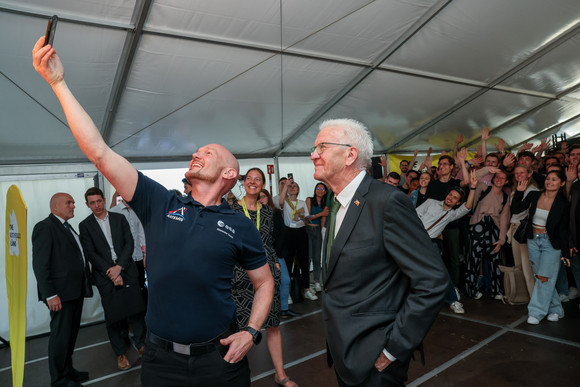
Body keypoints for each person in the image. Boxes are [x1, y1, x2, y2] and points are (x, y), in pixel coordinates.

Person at [33, 37, 274, 387]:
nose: (197, 152)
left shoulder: (239, 224)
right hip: (161, 361)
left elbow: (264, 281)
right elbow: (99, 152)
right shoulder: (161, 202)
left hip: (221, 359)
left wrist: (251, 332)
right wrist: (58, 83)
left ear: (229, 174)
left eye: (208, 152)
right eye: (198, 149)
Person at [310, 118, 448, 386]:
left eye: (322, 147)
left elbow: (433, 280)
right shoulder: (337, 204)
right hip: (344, 352)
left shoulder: (387, 202)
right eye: (314, 148)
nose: (314, 154)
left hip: (376, 360)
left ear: (351, 154)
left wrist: (393, 349)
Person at [230, 168, 298, 387]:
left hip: (267, 272)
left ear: (262, 185)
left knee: (273, 325)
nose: (253, 182)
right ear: (244, 183)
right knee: (242, 329)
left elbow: (269, 240)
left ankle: (280, 374)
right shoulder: (231, 210)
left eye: (257, 179)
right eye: (249, 178)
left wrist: (275, 261)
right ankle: (239, 380)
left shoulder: (268, 211)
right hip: (240, 273)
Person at [79, 187, 147, 370]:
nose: (97, 205)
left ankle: (141, 345)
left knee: (137, 310)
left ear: (104, 200)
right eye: (92, 203)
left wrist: (119, 267)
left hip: (126, 269)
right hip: (104, 275)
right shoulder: (84, 225)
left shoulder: (119, 218)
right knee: (113, 316)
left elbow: (129, 243)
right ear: (87, 205)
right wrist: (111, 272)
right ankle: (120, 353)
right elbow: (90, 253)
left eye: (99, 201)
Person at [32, 192, 92, 387]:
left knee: (70, 335)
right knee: (60, 337)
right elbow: (41, 266)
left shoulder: (66, 227)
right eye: (69, 202)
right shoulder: (45, 227)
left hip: (74, 292)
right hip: (60, 295)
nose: (73, 205)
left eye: (73, 202)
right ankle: (59, 380)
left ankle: (68, 370)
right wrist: (50, 294)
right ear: (55, 206)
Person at [416, 171, 479, 314]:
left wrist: (473, 188)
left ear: (457, 202)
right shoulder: (431, 202)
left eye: (455, 198)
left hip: (430, 244)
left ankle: (452, 300)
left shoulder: (452, 214)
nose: (450, 198)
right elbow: (413, 216)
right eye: (450, 195)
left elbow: (468, 206)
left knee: (441, 273)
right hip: (416, 240)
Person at [511, 170, 570, 324]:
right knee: (542, 278)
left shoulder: (563, 203)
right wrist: (519, 192)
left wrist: (566, 252)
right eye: (548, 179)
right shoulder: (534, 195)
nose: (549, 182)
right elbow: (515, 210)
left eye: (554, 180)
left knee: (544, 277)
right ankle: (556, 309)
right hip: (533, 241)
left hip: (551, 243)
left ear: (562, 183)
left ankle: (536, 313)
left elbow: (564, 229)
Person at [465, 169, 511, 300]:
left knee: (495, 260)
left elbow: (504, 219)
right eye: (497, 177)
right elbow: (472, 178)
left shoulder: (505, 197)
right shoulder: (484, 188)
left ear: (506, 181)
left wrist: (502, 239)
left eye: (503, 178)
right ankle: (471, 290)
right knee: (473, 259)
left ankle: (497, 291)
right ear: (493, 178)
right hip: (478, 225)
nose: (499, 179)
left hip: (494, 229)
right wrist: (487, 169)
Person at [259, 189, 300, 319]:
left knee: (285, 280)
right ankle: (267, 311)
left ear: (268, 198)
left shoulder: (275, 213)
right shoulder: (254, 215)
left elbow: (282, 234)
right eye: (258, 198)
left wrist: (274, 253)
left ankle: (283, 309)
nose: (261, 200)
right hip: (260, 255)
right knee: (265, 284)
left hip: (276, 253)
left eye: (263, 197)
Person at [279, 179, 316, 300]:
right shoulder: (284, 201)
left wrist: (304, 217)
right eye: (291, 186)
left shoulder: (302, 203)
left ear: (298, 190)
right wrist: (287, 185)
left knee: (304, 261)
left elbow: (305, 217)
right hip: (289, 233)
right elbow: (281, 199)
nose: (292, 188)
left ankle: (306, 289)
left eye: (295, 186)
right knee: (288, 262)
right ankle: (287, 293)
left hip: (301, 232)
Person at [508, 165, 539, 298]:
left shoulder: (532, 190)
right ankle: (525, 296)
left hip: (524, 231)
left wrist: (520, 192)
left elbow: (516, 210)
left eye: (522, 173)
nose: (519, 175)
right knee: (519, 266)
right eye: (516, 173)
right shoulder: (516, 189)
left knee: (527, 268)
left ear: (529, 174)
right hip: (515, 228)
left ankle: (534, 300)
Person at [109, 195, 147, 294]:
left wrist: (145, 255)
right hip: (124, 258)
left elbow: (141, 233)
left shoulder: (137, 210)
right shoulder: (114, 211)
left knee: (141, 285)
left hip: (138, 256)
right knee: (127, 290)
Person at [305, 182, 329, 293]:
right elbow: (308, 216)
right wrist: (321, 214)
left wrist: (321, 229)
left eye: (322, 189)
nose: (319, 190)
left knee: (317, 258)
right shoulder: (309, 200)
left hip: (318, 231)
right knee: (308, 257)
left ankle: (316, 281)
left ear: (325, 192)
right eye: (318, 188)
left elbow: (324, 219)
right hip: (308, 230)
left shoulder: (325, 204)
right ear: (315, 190)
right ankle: (306, 285)